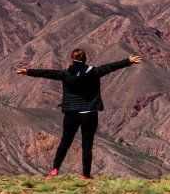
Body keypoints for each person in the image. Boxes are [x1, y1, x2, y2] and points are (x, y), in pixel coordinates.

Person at [16, 48, 141, 179]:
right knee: (87, 145)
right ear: (85, 58)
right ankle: (86, 175)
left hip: (71, 114)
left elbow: (47, 73)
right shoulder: (94, 72)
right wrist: (128, 61)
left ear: (72, 58)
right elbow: (110, 67)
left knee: (65, 142)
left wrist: (28, 71)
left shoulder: (65, 74)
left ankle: (54, 169)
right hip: (89, 114)